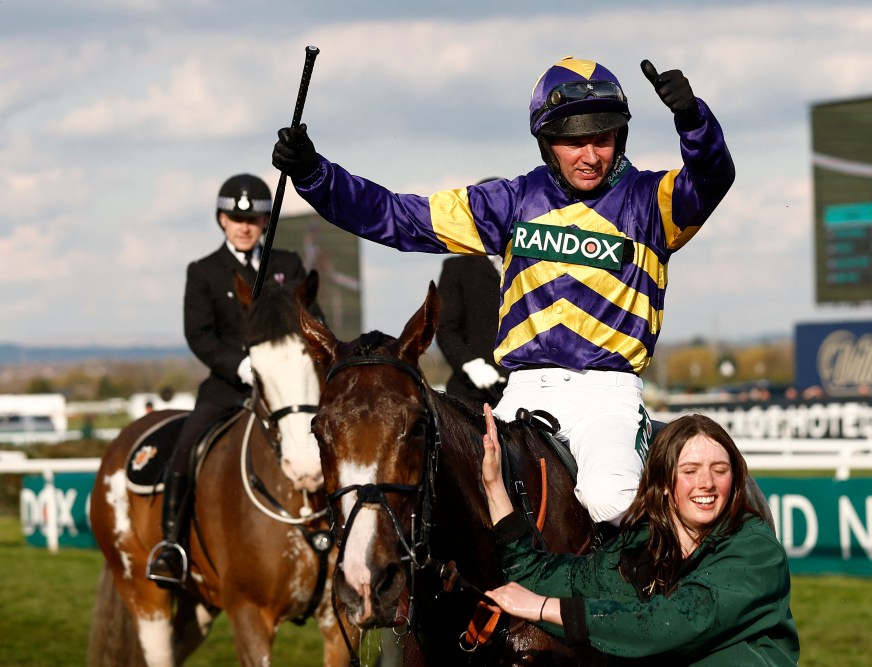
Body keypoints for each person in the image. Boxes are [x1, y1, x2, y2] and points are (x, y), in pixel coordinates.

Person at [272, 56, 735, 526]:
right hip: (523, 395)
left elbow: (713, 179)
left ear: (620, 138)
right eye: (573, 142)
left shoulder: (653, 201)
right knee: (454, 508)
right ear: (545, 143)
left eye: (603, 139)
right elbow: (398, 216)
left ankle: (647, 599)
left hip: (607, 399)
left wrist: (693, 120)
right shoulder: (512, 201)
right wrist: (314, 174)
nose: (590, 156)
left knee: (608, 498)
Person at [481, 409, 800, 665]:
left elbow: (671, 624)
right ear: (663, 481)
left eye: (720, 469)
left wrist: (543, 608)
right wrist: (495, 486)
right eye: (690, 471)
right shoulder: (641, 546)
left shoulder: (754, 548)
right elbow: (536, 575)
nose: (707, 483)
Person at [147, 173, 320, 587]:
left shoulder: (288, 266)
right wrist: (240, 366)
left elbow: (314, 322)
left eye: (255, 219)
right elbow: (199, 335)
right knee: (186, 449)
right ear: (221, 220)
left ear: (265, 223)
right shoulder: (204, 272)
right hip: (228, 386)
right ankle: (171, 546)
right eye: (235, 218)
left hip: (291, 390)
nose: (244, 226)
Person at [436, 182, 509, 408]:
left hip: (527, 392)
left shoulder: (534, 265)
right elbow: (446, 330)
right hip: (471, 397)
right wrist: (470, 365)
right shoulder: (457, 269)